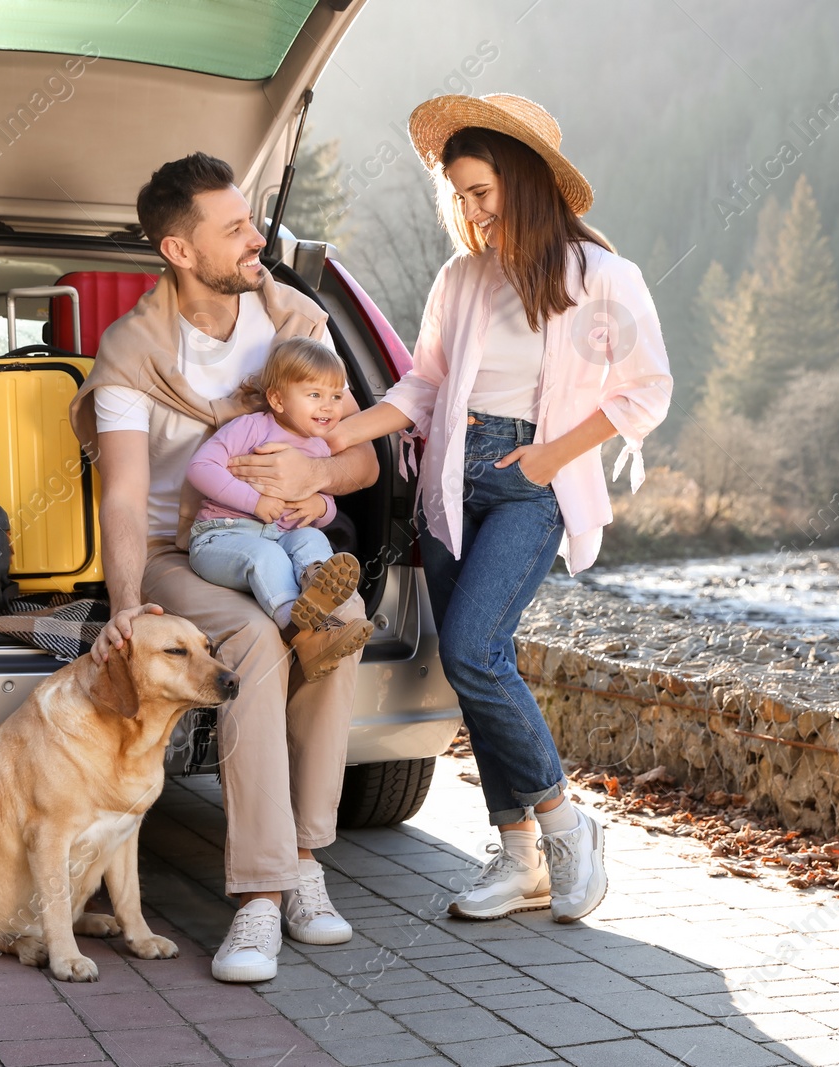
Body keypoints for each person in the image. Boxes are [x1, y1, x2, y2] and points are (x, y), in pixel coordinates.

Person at [326, 94, 672, 923]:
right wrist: (340, 428)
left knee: (477, 651)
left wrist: (554, 454)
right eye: (460, 197)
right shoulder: (463, 277)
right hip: (452, 479)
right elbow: (423, 383)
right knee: (470, 666)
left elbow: (647, 391)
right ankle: (519, 857)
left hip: (531, 484)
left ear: (524, 181)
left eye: (482, 192)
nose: (472, 212)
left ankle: (566, 825)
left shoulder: (601, 279)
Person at [68, 153, 380, 983]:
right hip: (188, 552)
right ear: (179, 250)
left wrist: (315, 480)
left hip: (278, 539)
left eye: (253, 222)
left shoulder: (296, 321)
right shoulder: (131, 351)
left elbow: (361, 463)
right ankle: (259, 898)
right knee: (250, 636)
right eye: (235, 228)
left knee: (340, 621)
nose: (257, 239)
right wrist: (128, 603)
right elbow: (127, 495)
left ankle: (306, 860)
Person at [185, 337, 373, 678]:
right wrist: (254, 501)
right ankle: (299, 633)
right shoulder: (251, 428)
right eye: (314, 395)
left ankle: (315, 579)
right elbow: (200, 468)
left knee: (313, 540)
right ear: (277, 399)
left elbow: (327, 505)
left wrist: (319, 505)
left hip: (280, 540)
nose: (328, 407)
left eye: (335, 396)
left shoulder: (319, 448)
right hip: (221, 538)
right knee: (266, 557)